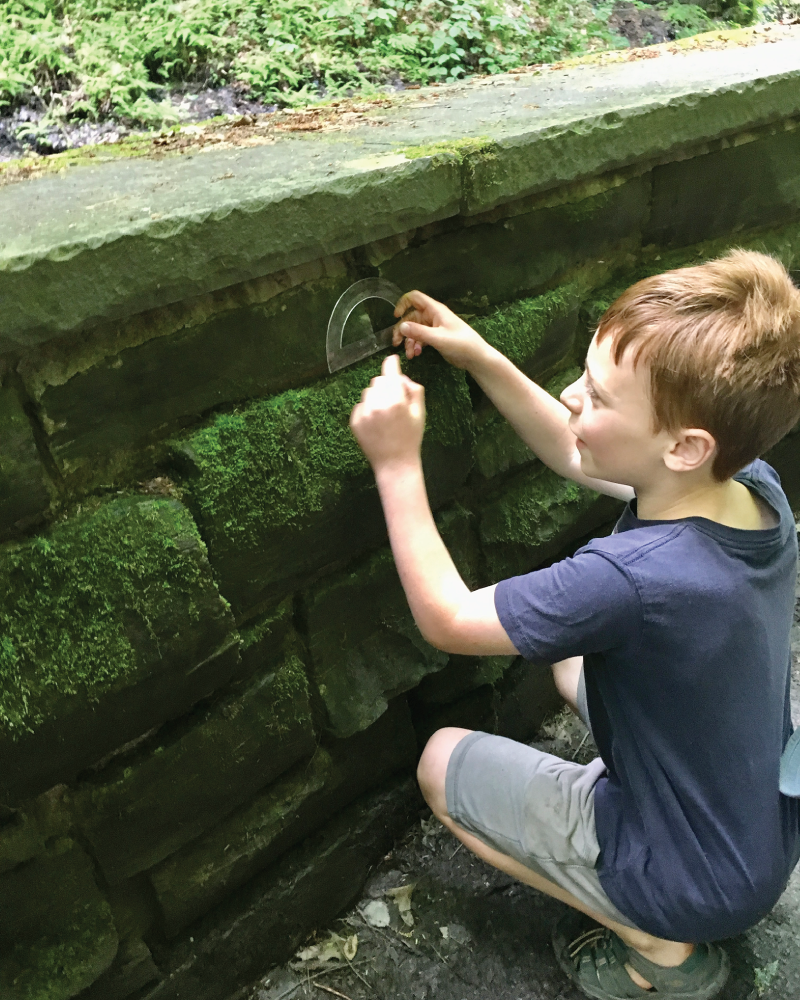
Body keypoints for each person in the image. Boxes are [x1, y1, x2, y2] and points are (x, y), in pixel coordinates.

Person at [348, 249, 800, 1000]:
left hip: (697, 883)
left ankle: (660, 945)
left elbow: (450, 618)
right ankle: (671, 883)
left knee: (440, 761)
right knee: (568, 664)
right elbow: (572, 445)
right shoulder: (753, 487)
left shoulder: (626, 580)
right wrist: (481, 355)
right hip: (758, 839)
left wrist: (397, 465)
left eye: (596, 393)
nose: (571, 396)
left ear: (685, 447)